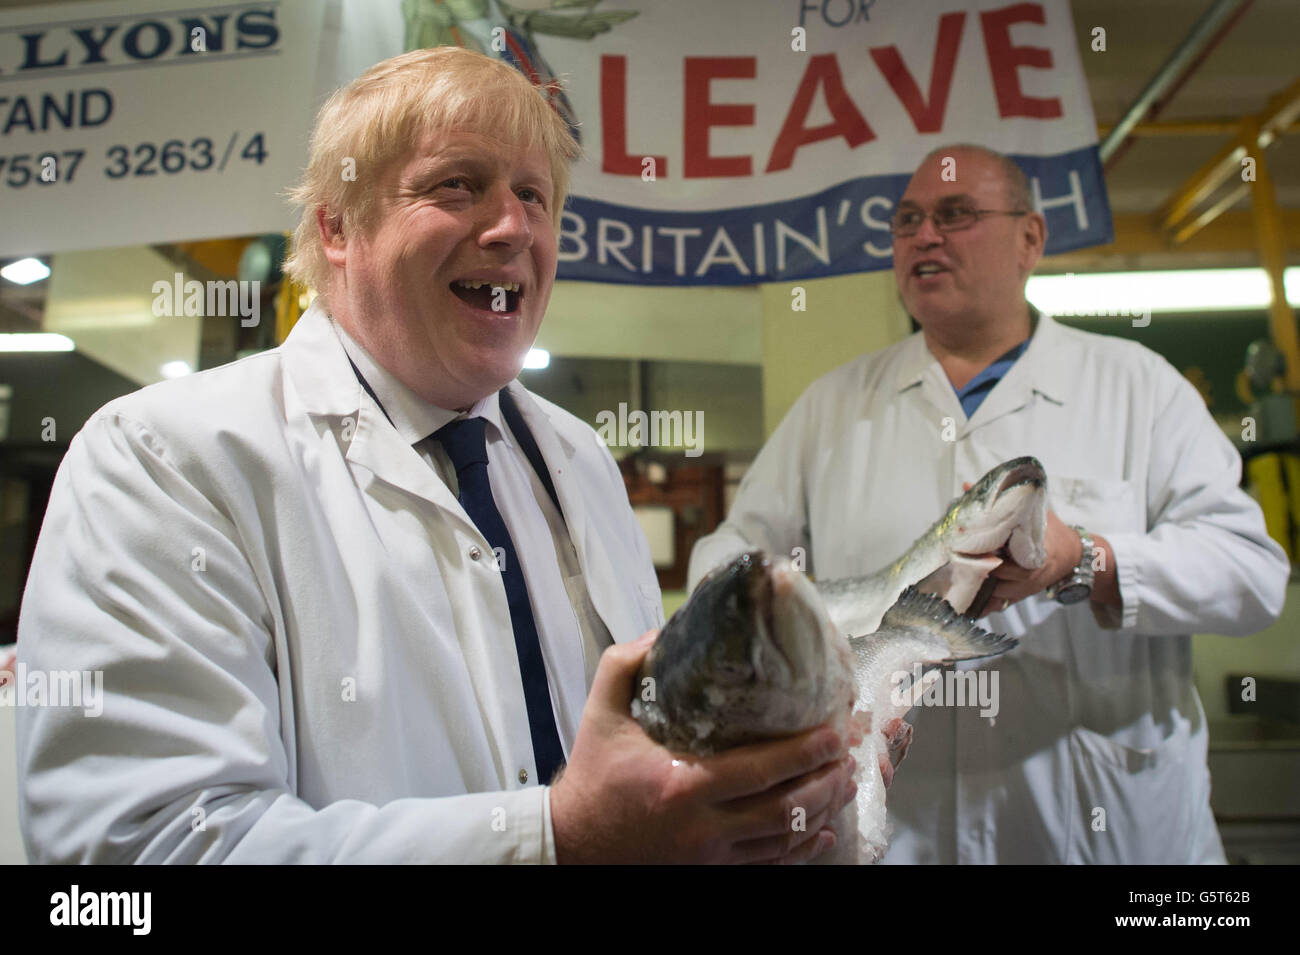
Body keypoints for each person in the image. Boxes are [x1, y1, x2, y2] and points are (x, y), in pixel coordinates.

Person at [15, 47, 857, 864]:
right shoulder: (163, 459)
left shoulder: (579, 460)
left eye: (536, 195)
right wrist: (557, 842)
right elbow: (140, 848)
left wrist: (764, 787)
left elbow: (643, 754)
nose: (512, 226)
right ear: (337, 226)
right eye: (458, 185)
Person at [689, 143, 1290, 864]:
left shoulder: (1137, 387)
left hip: (1111, 838)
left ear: (1030, 238)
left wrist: (1087, 560)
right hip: (902, 835)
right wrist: (785, 626)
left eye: (955, 214)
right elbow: (726, 560)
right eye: (907, 221)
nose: (924, 236)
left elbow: (1253, 575)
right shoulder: (834, 404)